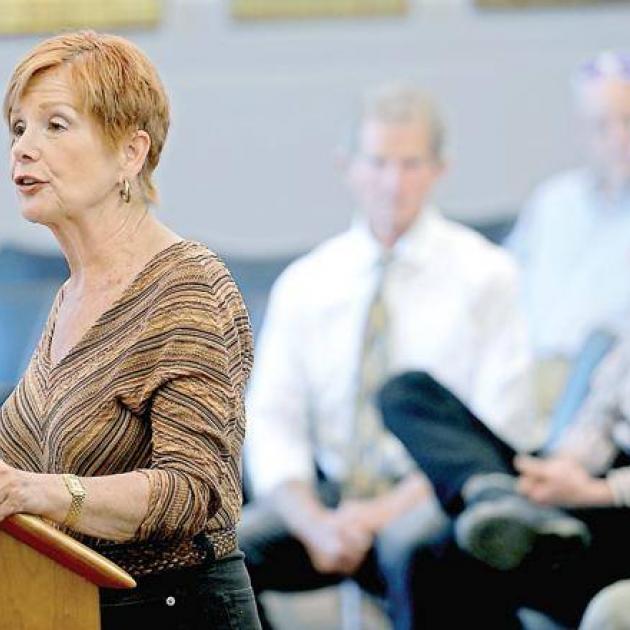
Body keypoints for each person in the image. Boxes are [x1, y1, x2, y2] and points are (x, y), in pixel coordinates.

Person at [240, 82, 540, 630]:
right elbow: (272, 420)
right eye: (378, 163)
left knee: (414, 545)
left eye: (411, 164)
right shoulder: (307, 283)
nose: (393, 183)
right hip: (330, 494)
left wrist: (379, 515)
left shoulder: (487, 275)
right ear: (347, 166)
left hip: (428, 492)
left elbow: (501, 427)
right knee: (226, 553)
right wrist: (313, 523)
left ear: (439, 169)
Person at [0, 31, 261, 629]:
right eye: (18, 128)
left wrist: (38, 493)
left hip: (179, 611)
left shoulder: (187, 285)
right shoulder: (70, 295)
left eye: (55, 125)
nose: (23, 148)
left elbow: (195, 489)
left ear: (130, 152)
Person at [380, 321, 630, 627]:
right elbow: (599, 417)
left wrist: (597, 491)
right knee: (406, 391)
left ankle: (517, 514)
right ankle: (497, 495)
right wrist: (560, 469)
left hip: (615, 507)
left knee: (448, 559)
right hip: (579, 481)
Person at [508, 51, 630, 361]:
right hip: (527, 373)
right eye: (602, 126)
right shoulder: (553, 200)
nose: (618, 139)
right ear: (582, 133)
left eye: (628, 121)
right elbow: (504, 287)